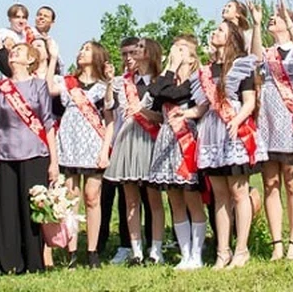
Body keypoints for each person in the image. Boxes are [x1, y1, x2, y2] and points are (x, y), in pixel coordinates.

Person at [0, 6, 59, 275]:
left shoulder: (39, 86)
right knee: (6, 211)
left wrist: (54, 162)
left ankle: (34, 262)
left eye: (19, 52)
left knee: (32, 210)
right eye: (12, 51)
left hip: (35, 154)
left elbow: (48, 124)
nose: (13, 53)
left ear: (30, 60)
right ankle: (7, 262)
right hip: (4, 155)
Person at [197, 20, 265, 270]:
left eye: (221, 30)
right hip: (212, 131)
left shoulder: (243, 65)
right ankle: (222, 251)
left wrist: (236, 120)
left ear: (232, 38)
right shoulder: (206, 71)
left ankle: (242, 249)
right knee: (220, 195)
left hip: (234, 129)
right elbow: (204, 105)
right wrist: (187, 114)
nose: (214, 32)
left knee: (239, 192)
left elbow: (249, 101)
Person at [251, 0, 293, 261]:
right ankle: (277, 243)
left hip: (290, 120)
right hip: (266, 121)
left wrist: (290, 24)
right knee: (270, 183)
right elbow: (253, 58)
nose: (272, 19)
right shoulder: (267, 53)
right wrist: (255, 24)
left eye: (278, 18)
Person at [50, 40, 115, 268]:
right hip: (70, 143)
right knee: (71, 197)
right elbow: (48, 88)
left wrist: (105, 150)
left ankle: (93, 250)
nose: (81, 52)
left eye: (87, 49)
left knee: (92, 196)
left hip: (93, 145)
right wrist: (52, 59)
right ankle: (72, 251)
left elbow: (109, 119)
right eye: (81, 48)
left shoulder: (102, 85)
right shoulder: (68, 82)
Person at [147, 35, 209, 270]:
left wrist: (172, 70)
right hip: (166, 138)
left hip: (186, 137)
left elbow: (174, 94)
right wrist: (170, 67)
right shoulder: (167, 77)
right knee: (175, 198)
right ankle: (185, 255)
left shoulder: (194, 81)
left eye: (182, 49)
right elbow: (155, 92)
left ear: (193, 58)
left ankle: (197, 253)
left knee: (191, 196)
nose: (176, 51)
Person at [105, 38, 165, 264]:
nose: (132, 54)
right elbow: (109, 107)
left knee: (154, 199)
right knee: (130, 200)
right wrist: (111, 82)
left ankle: (156, 250)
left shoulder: (160, 82)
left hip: (151, 140)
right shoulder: (123, 82)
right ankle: (136, 251)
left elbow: (163, 117)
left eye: (139, 48)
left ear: (150, 53)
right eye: (129, 52)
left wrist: (143, 112)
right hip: (128, 140)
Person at [101, 36, 142, 263]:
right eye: (124, 54)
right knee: (124, 197)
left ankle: (149, 243)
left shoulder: (149, 79)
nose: (128, 58)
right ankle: (125, 245)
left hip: (146, 142)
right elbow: (108, 107)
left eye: (132, 53)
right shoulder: (118, 82)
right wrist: (109, 82)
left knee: (147, 197)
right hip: (121, 141)